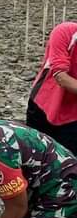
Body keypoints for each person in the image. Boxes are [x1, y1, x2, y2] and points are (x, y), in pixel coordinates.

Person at [26, 22, 77, 154]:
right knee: (36, 154)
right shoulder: (65, 31)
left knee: (68, 162)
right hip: (43, 105)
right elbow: (61, 77)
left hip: (73, 116)